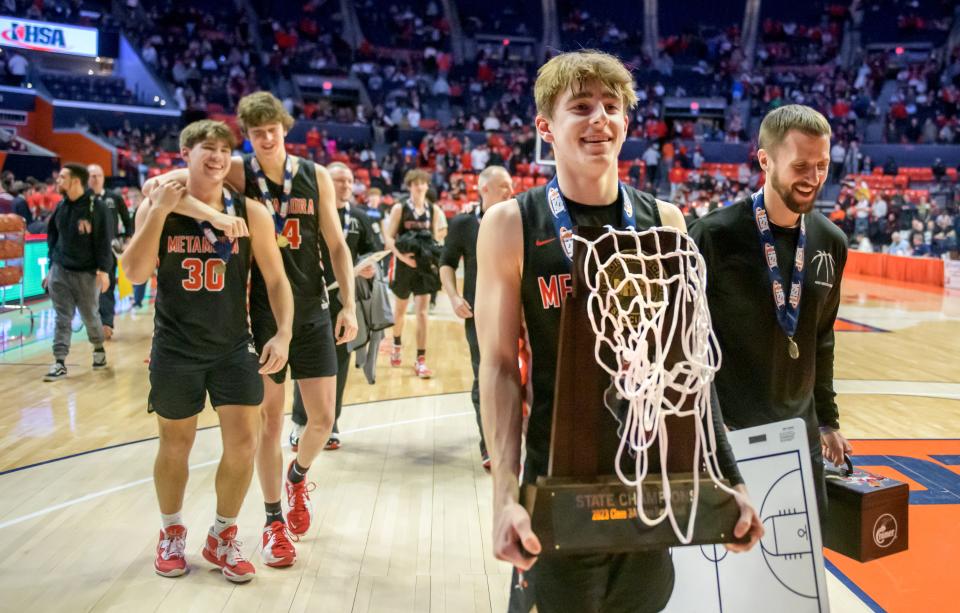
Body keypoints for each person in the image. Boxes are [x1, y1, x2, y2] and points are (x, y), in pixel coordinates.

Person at [475, 50, 762, 613]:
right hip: (557, 483)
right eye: (580, 107)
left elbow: (690, 370)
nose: (599, 119)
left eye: (611, 106)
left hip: (650, 485)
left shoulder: (666, 222)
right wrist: (504, 497)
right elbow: (500, 368)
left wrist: (731, 481)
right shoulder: (512, 224)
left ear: (627, 122)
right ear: (545, 128)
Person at [142, 91, 358, 568]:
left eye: (272, 129)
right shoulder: (236, 169)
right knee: (269, 423)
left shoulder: (314, 175)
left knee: (322, 419)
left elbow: (337, 244)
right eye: (255, 132)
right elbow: (166, 182)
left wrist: (349, 303)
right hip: (260, 314)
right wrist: (210, 212)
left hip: (313, 307)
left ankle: (297, 477)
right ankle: (272, 521)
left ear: (285, 128)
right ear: (247, 136)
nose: (265, 137)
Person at [121, 120, 293, 583]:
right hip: (175, 347)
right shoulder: (158, 203)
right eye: (205, 149)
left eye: (222, 149)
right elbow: (135, 273)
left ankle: (222, 535)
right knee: (175, 443)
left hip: (233, 345)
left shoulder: (250, 212)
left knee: (244, 441)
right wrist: (158, 211)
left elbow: (277, 280)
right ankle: (171, 531)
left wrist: (283, 334)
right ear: (186, 153)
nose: (216, 157)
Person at [689, 104, 852, 520]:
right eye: (801, 165)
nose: (813, 178)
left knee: (799, 566)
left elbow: (822, 337)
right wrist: (707, 422)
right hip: (728, 435)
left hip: (800, 435)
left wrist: (828, 420)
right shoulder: (713, 235)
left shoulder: (831, 241)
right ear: (765, 160)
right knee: (731, 573)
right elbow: (686, 341)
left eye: (822, 165)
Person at [289, 162, 384, 451]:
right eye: (338, 180)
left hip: (344, 301)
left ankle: (331, 422)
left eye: (349, 180)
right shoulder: (305, 211)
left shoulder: (358, 217)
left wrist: (369, 267)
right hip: (308, 297)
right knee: (306, 364)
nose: (344, 186)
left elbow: (374, 248)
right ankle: (300, 422)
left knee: (339, 362)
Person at [439, 165, 512, 470]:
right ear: (484, 189)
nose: (511, 191)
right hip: (480, 314)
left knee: (516, 379)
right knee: (485, 376)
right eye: (504, 187)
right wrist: (454, 297)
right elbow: (446, 264)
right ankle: (489, 444)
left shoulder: (519, 222)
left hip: (517, 313)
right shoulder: (464, 224)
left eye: (510, 186)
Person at [42, 163, 112, 381]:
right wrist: (51, 268)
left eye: (62, 177)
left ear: (75, 181)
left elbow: (104, 241)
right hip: (60, 271)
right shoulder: (61, 206)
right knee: (62, 317)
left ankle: (98, 348)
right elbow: (52, 238)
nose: (58, 181)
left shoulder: (96, 207)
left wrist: (104, 271)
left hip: (87, 273)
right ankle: (59, 361)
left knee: (91, 315)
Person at [385, 168, 447, 378]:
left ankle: (421, 359)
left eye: (423, 183)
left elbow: (438, 239)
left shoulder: (434, 211)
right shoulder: (399, 209)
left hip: (423, 268)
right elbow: (389, 239)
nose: (420, 186)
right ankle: (396, 344)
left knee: (422, 313)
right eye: (416, 183)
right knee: (400, 311)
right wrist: (403, 258)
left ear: (427, 186)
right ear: (409, 186)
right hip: (403, 265)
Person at [88, 164, 132, 340]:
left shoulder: (114, 198)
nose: (95, 179)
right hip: (86, 252)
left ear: (103, 178)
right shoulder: (82, 200)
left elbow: (127, 220)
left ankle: (106, 323)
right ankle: (93, 322)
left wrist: (128, 238)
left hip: (108, 250)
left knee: (107, 286)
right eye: (91, 176)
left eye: (98, 175)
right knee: (89, 289)